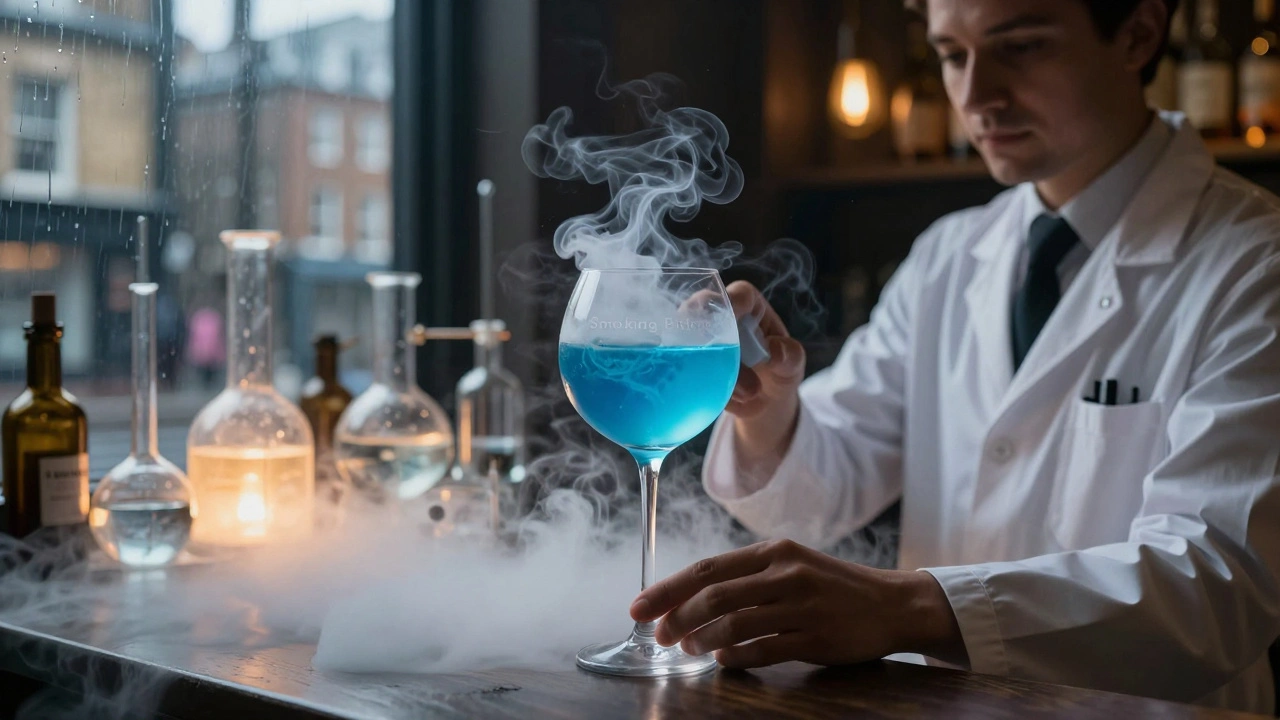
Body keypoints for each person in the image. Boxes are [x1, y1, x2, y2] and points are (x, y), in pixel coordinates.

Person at [628, 0, 1280, 714]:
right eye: (951, 54)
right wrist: (769, 413)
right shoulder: (949, 254)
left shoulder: (1255, 264)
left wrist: (906, 608)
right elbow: (817, 497)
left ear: (1138, 33)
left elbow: (1217, 585)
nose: (976, 94)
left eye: (1020, 47)